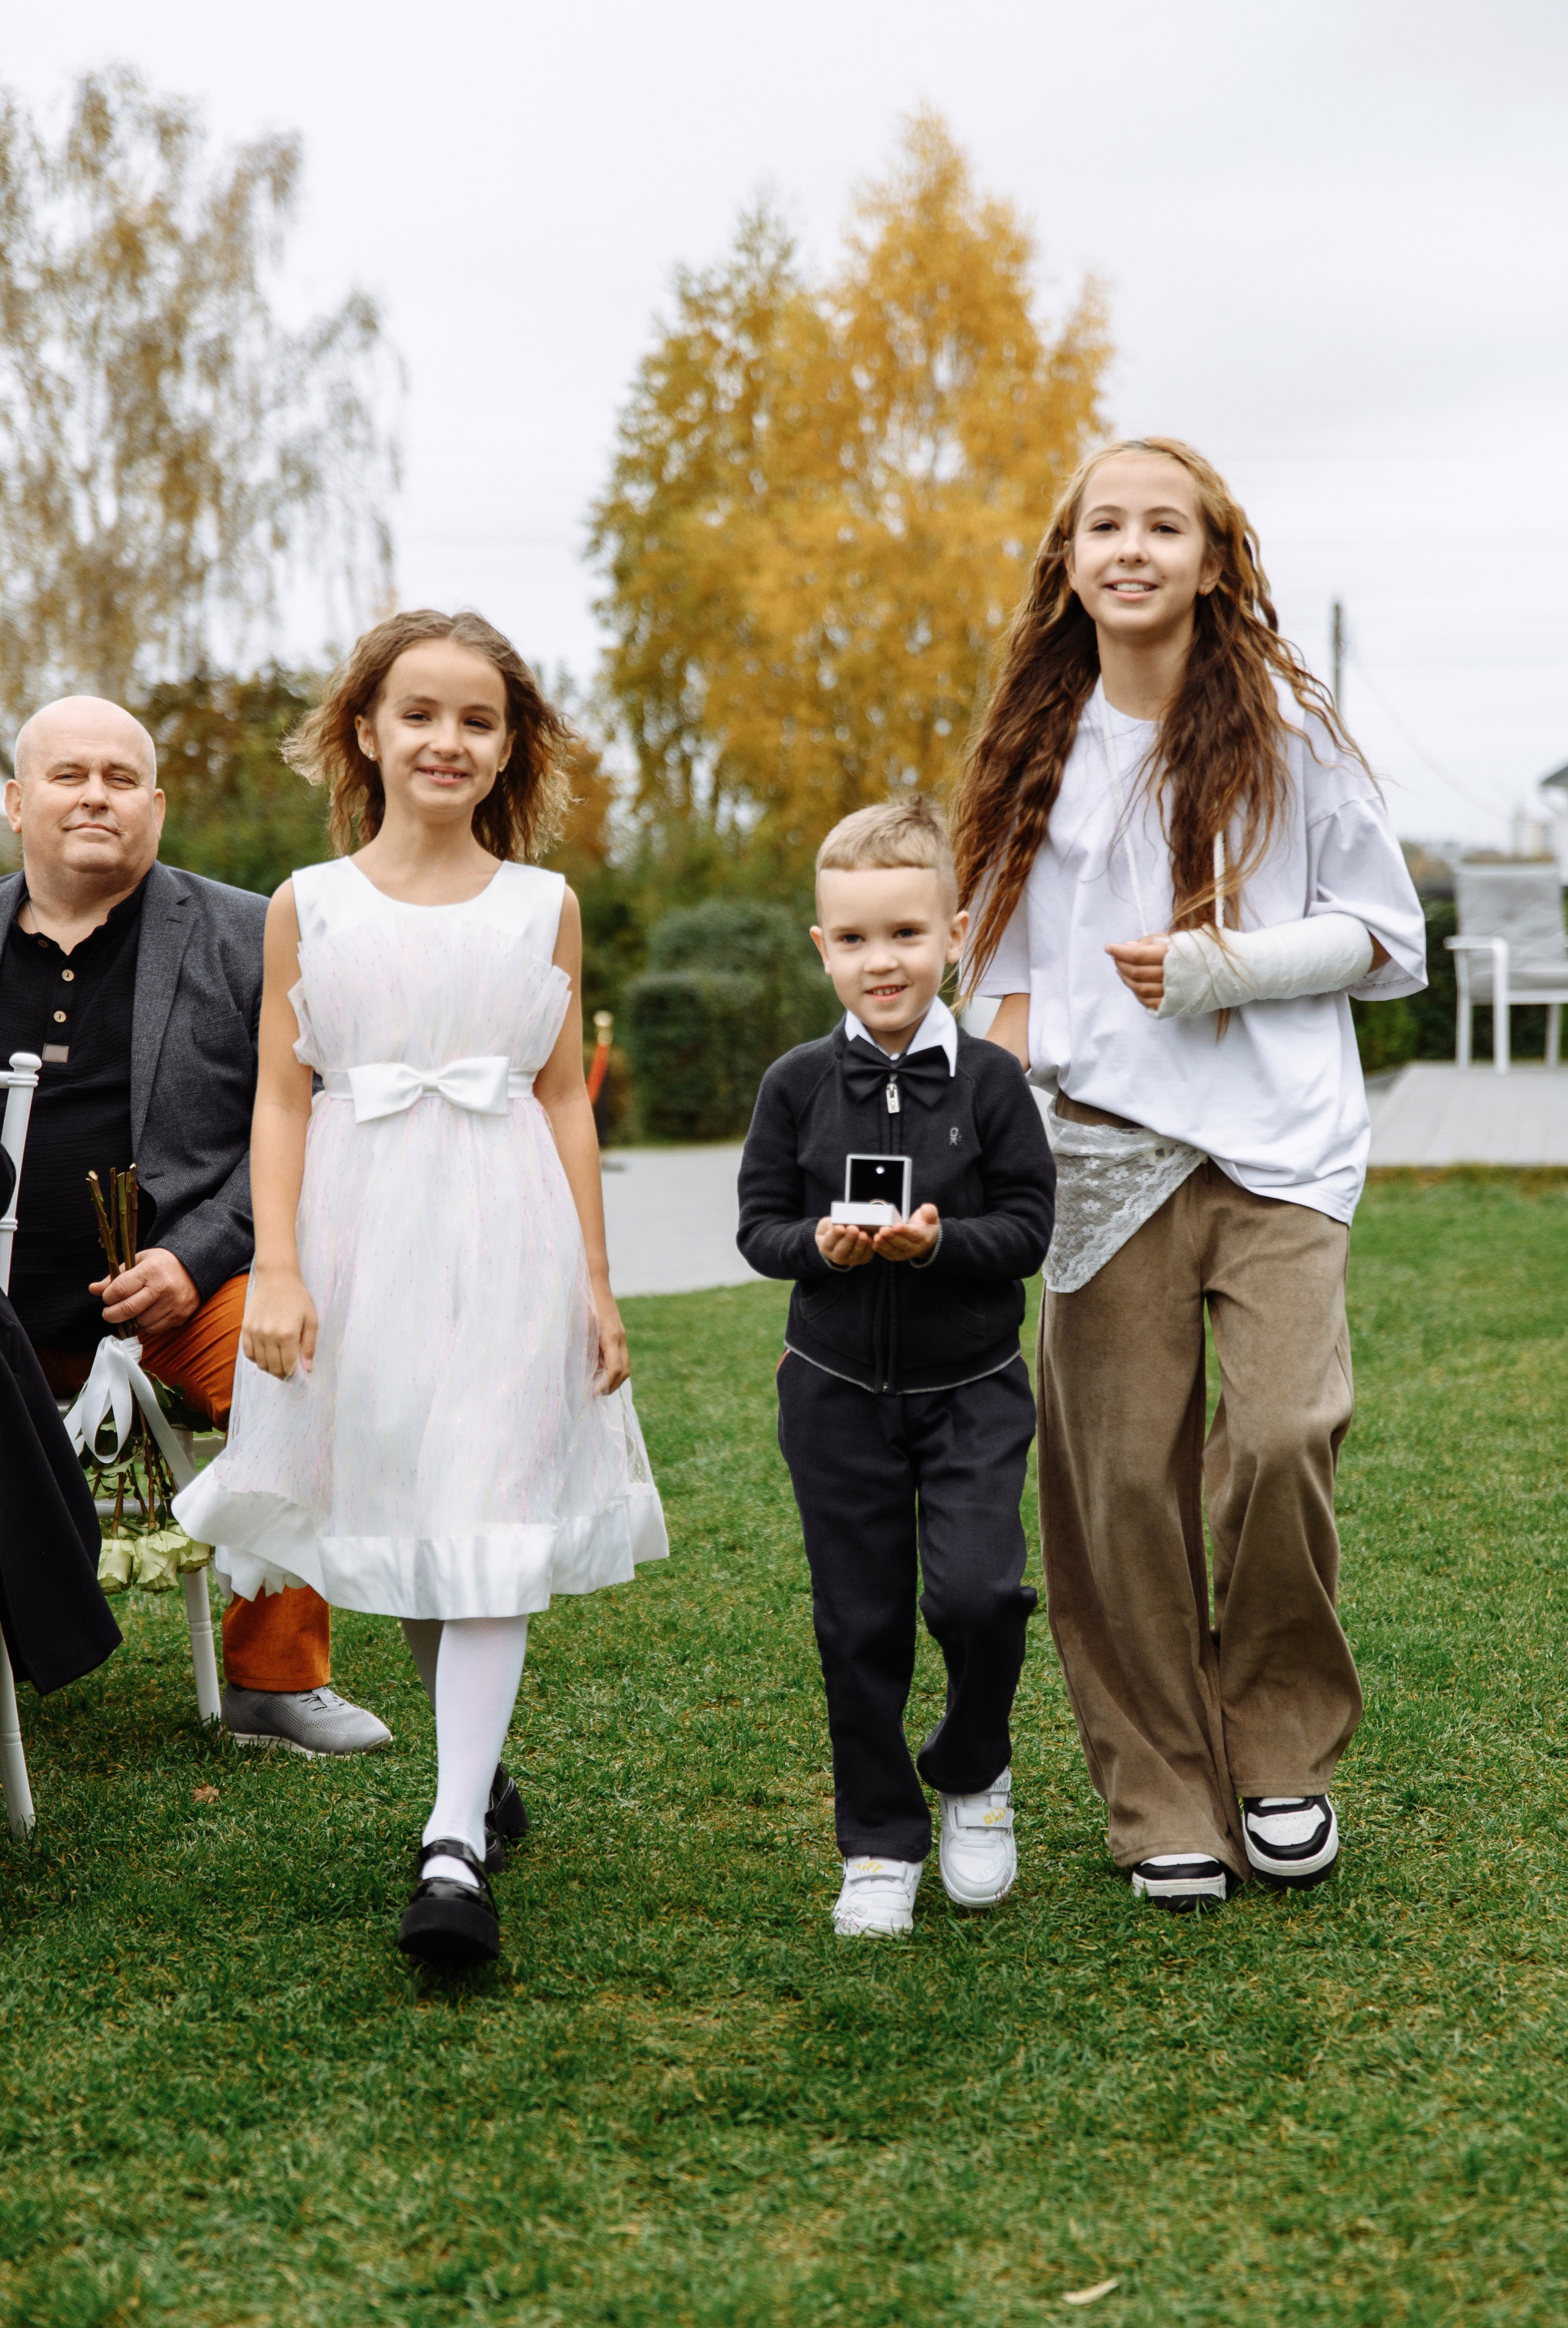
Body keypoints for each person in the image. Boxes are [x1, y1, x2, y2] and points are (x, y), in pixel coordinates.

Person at [951, 436, 1426, 1911]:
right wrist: (996, 1086)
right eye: (1105, 525)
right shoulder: (1034, 746)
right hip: (1101, 1152)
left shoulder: (1289, 729)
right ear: (1069, 561)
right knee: (1115, 1491)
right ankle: (1160, 1785)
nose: (1132, 548)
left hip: (1280, 1150)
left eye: (1165, 526)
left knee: (1281, 1435)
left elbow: (1388, 940)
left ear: (1213, 560)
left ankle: (1278, 1752)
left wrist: (1226, 966)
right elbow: (1002, 979)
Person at [175, 609, 668, 1970]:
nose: (447, 740)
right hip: (354, 1232)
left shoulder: (542, 905)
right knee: (401, 1499)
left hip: (508, 1228)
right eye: (421, 714)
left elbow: (565, 1096)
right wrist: (273, 1261)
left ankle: (451, 1841)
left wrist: (598, 1283)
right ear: (366, 732)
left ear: (511, 748)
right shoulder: (305, 903)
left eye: (478, 720)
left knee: (490, 1502)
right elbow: (282, 1099)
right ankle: (481, 1764)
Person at [1, 697, 388, 1755]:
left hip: (182, 1288)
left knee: (304, 1370)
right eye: (69, 774)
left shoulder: (245, 931)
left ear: (158, 806)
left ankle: (274, 1678)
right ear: (15, 800)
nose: (96, 795)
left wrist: (199, 1255)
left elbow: (316, 1130)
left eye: (122, 778)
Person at [737, 798, 1054, 1937]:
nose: (884, 961)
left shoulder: (994, 1085)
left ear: (956, 934)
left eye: (907, 935)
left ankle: (975, 1770)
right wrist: (814, 1247)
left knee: (977, 1596)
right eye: (857, 939)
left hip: (971, 1389)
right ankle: (878, 1837)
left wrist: (940, 1244)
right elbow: (758, 1227)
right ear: (823, 947)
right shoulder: (793, 1086)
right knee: (857, 1622)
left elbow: (1028, 1228)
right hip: (833, 1395)